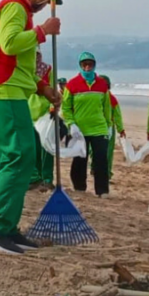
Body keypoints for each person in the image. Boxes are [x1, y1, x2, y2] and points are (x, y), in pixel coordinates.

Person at [0, 0, 62, 254]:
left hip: (7, 89)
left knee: (21, 156)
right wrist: (42, 31)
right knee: (18, 154)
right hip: (0, 91)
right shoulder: (14, 6)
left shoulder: (21, 9)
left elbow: (17, 62)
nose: (46, 0)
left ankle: (7, 225)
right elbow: (8, 46)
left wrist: (42, 87)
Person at [62, 52, 112, 197]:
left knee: (101, 160)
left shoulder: (102, 84)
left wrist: (108, 126)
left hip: (99, 128)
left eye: (90, 64)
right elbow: (66, 107)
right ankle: (79, 187)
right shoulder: (72, 84)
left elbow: (107, 107)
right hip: (80, 129)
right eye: (85, 64)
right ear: (81, 65)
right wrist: (71, 123)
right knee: (79, 160)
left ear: (94, 65)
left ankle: (102, 190)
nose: (88, 67)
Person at [29, 51, 56, 189]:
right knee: (32, 148)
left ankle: (47, 178)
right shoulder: (24, 68)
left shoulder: (47, 69)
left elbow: (53, 90)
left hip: (44, 113)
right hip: (28, 112)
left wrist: (52, 107)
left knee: (46, 148)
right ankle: (35, 177)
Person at [98, 75, 126, 182]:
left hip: (104, 127)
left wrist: (120, 129)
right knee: (102, 152)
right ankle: (101, 171)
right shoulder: (101, 97)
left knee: (105, 152)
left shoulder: (111, 99)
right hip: (100, 127)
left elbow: (117, 115)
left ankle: (105, 173)